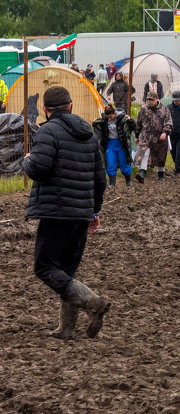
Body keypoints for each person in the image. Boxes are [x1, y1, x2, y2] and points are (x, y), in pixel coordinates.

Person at [22, 85, 110, 340]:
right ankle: (67, 328)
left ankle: (93, 302)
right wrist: (94, 212)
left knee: (44, 266)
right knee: (67, 271)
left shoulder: (48, 131)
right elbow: (100, 178)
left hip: (57, 213)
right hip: (81, 213)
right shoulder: (89, 133)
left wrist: (26, 159)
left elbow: (39, 167)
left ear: (45, 110)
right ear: (70, 106)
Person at [133, 91, 172, 182]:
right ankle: (142, 173)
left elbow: (168, 122)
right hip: (146, 137)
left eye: (152, 100)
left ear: (157, 99)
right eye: (148, 100)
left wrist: (165, 132)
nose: (150, 102)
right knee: (143, 153)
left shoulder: (164, 109)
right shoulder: (143, 109)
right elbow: (139, 123)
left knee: (161, 156)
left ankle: (161, 174)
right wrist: (136, 135)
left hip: (159, 137)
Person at [92, 105, 134, 187]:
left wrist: (130, 120)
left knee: (124, 163)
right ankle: (112, 183)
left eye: (111, 117)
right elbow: (98, 127)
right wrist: (95, 122)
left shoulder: (122, 118)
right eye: (108, 117)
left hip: (121, 144)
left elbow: (133, 126)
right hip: (110, 144)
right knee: (110, 163)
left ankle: (128, 181)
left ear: (114, 113)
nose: (110, 119)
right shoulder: (104, 120)